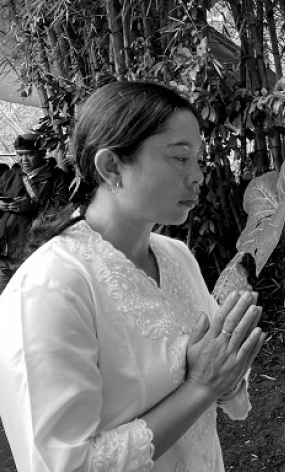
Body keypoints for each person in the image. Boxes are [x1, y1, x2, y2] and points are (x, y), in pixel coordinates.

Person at [0, 81, 266, 471]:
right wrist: (201, 386)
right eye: (180, 157)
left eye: (198, 159)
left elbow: (221, 376)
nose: (198, 176)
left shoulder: (176, 257)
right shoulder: (49, 288)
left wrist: (228, 370)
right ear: (111, 167)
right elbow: (63, 464)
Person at [0, 132, 72, 289]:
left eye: (29, 154)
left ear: (42, 153)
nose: (23, 160)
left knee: (27, 292)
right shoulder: (9, 176)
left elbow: (63, 205)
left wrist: (33, 205)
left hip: (33, 249)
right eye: (20, 155)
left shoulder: (57, 177)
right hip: (5, 250)